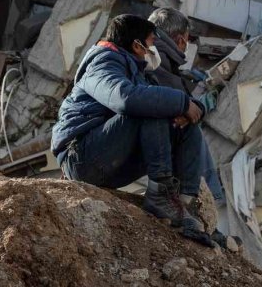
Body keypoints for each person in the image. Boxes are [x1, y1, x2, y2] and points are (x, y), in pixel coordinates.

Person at [51, 14, 212, 246]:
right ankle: (159, 194)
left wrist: (191, 108)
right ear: (137, 45)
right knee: (148, 108)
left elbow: (175, 101)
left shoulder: (135, 68)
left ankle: (183, 204)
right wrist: (181, 102)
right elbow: (124, 99)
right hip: (81, 159)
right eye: (150, 44)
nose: (152, 50)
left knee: (183, 126)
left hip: (109, 160)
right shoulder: (102, 63)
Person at [146, 7, 239, 249]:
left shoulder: (154, 53)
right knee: (191, 131)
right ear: (181, 39)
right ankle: (192, 205)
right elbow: (170, 100)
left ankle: (197, 208)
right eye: (186, 41)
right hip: (144, 133)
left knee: (190, 127)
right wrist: (189, 110)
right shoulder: (157, 59)